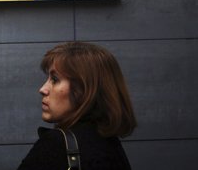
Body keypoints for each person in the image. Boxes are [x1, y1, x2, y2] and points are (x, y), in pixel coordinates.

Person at [17, 41, 137, 170]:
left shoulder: (57, 144)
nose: (43, 89)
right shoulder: (111, 143)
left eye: (55, 80)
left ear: (84, 90)